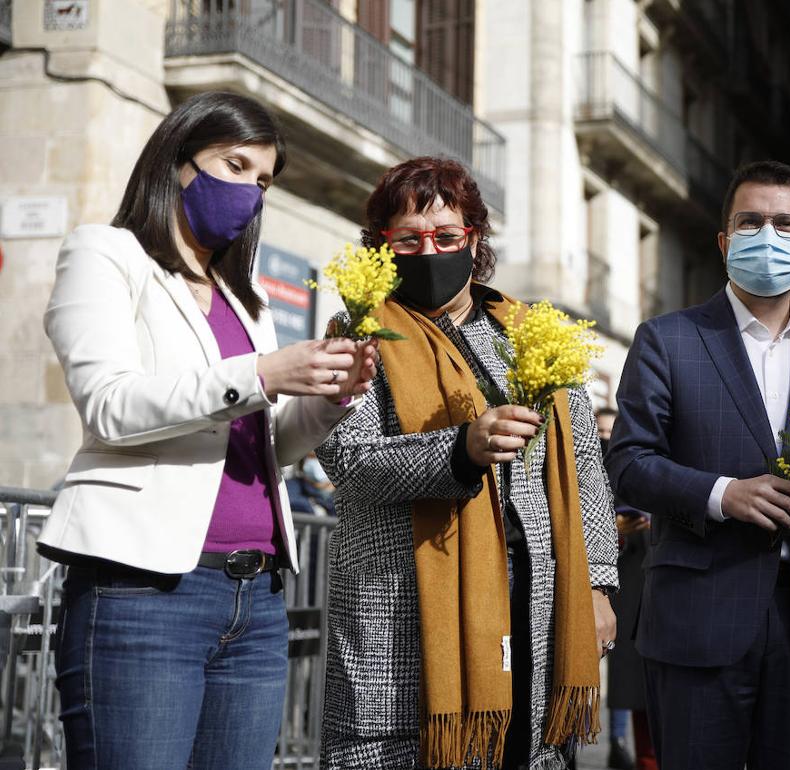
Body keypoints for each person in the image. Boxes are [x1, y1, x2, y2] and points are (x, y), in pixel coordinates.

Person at [39, 91, 376, 770]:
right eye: (235, 164)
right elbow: (108, 404)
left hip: (256, 600)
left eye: (263, 180)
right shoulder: (106, 254)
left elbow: (268, 445)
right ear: (178, 160)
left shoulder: (243, 294)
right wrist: (262, 372)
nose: (250, 191)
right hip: (144, 592)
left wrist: (329, 399)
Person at [315, 156, 618, 770]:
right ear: (382, 247)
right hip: (404, 605)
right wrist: (460, 449)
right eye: (408, 239)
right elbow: (349, 461)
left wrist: (598, 584)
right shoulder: (358, 330)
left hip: (532, 593)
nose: (430, 250)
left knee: (524, 749)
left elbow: (583, 464)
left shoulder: (532, 333)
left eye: (447, 236)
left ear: (473, 239)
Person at [605, 160, 790, 769]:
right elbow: (627, 461)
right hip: (698, 620)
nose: (768, 236)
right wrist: (722, 494)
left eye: (785, 225)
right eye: (751, 221)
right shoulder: (667, 339)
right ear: (725, 240)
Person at [597, 408, 655, 770]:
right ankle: (618, 744)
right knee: (627, 675)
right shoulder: (606, 466)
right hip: (624, 582)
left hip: (654, 577)